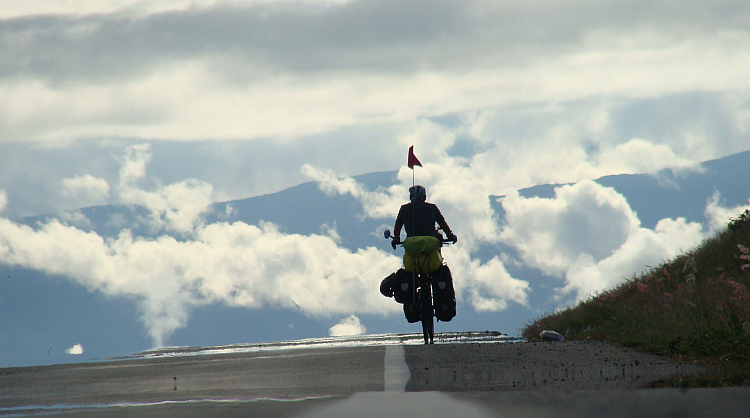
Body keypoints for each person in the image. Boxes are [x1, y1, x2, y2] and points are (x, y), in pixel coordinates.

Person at [392, 185, 456, 249]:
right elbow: (443, 225)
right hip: (430, 243)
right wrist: (450, 236)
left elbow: (397, 227)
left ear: (410, 197)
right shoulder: (432, 208)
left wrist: (396, 239)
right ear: (424, 197)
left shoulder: (404, 209)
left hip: (411, 243)